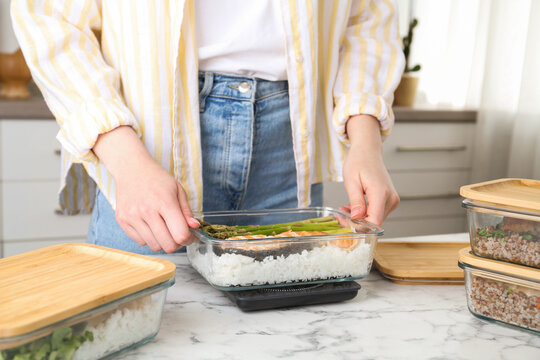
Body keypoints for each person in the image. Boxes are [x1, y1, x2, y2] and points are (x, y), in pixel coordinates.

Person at [12, 0, 404, 255]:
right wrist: (125, 158)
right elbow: (49, 17)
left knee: (283, 341)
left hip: (289, 150)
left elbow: (368, 20)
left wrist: (365, 139)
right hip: (149, 151)